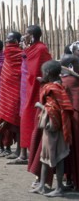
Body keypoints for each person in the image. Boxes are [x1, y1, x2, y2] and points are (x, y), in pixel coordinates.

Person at [29, 60, 73, 197]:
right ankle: (42, 185)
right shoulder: (52, 86)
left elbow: (55, 110)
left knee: (58, 157)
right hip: (49, 128)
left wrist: (40, 106)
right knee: (44, 156)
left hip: (56, 129)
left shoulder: (55, 89)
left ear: (48, 73)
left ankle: (59, 188)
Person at [10, 25, 52, 165]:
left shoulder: (41, 49)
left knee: (32, 118)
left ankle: (31, 154)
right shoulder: (30, 48)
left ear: (32, 35)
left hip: (36, 89)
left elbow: (41, 70)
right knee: (25, 118)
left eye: (27, 33)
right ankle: (23, 154)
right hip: (26, 88)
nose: (24, 36)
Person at [0, 32, 22, 159]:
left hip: (15, 93)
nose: (7, 42)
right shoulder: (4, 56)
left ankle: (18, 151)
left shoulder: (21, 56)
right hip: (1, 94)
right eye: (6, 40)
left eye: (10, 40)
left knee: (16, 122)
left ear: (18, 41)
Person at [60, 54, 79, 191]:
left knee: (70, 151)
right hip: (74, 119)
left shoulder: (65, 81)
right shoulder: (73, 79)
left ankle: (70, 179)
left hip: (72, 121)